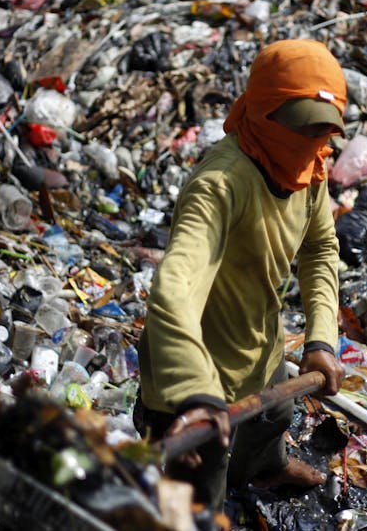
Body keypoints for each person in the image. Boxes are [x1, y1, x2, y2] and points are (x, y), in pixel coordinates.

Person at [135, 39, 348, 510]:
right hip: (198, 370)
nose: (313, 145)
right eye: (301, 129)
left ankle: (264, 470)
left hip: (260, 343)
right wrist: (194, 394)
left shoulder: (311, 165)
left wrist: (320, 340)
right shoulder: (221, 185)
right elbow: (176, 286)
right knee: (200, 484)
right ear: (262, 111)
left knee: (274, 417)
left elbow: (320, 246)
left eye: (322, 133)